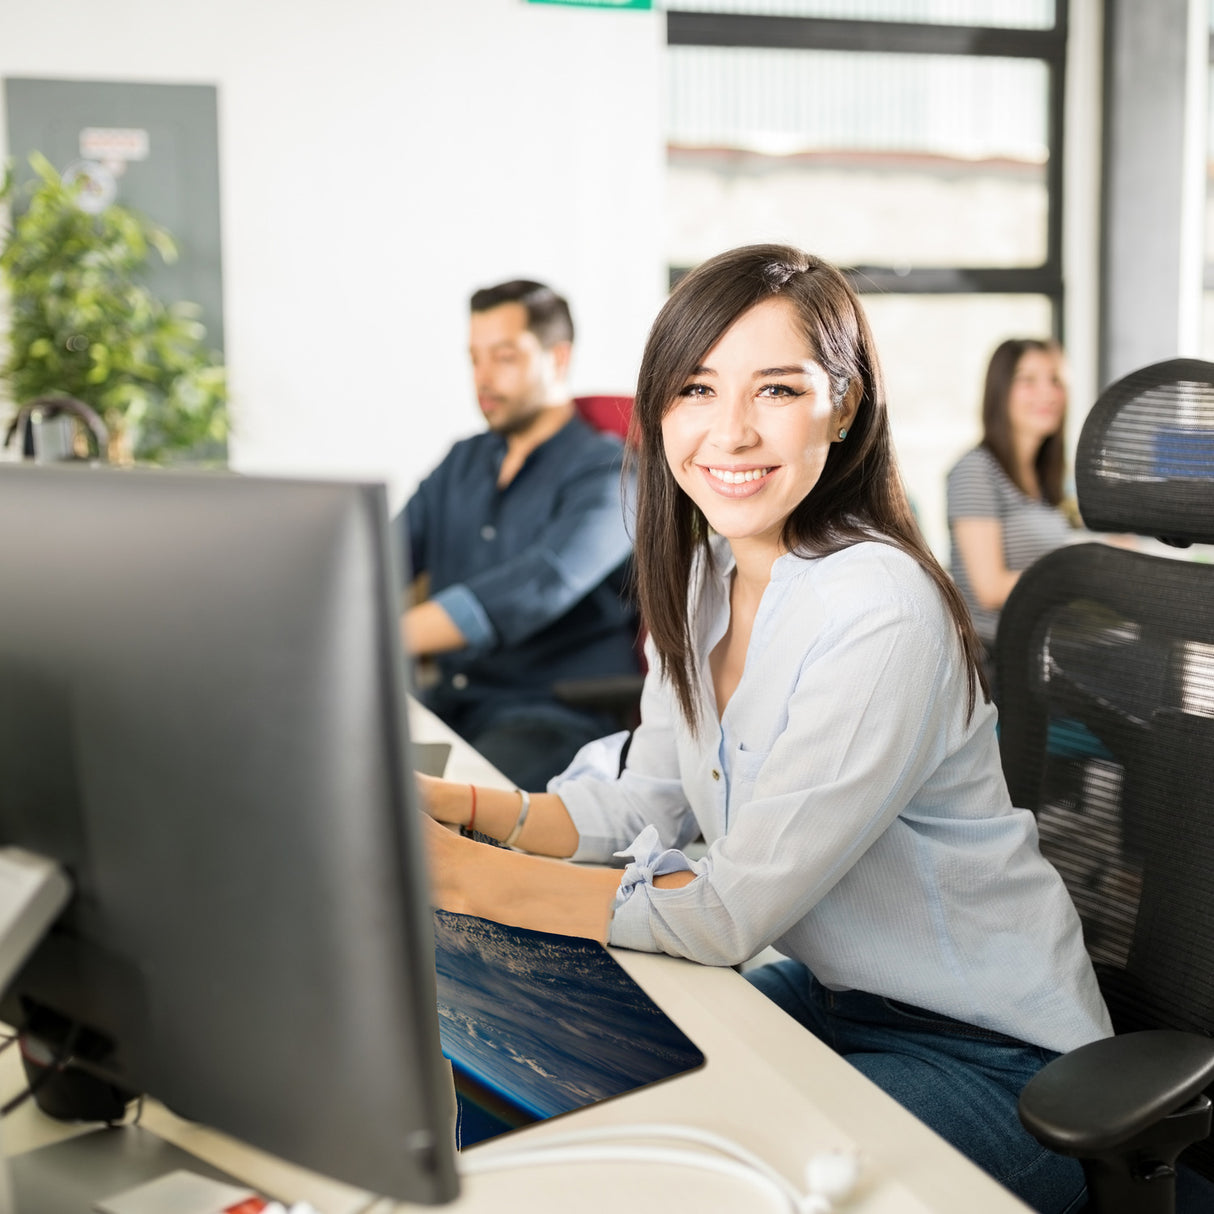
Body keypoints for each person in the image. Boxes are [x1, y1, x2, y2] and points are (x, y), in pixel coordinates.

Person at [418, 245, 1111, 1214]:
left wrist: (450, 873)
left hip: (993, 1056)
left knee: (706, 1192)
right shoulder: (704, 571)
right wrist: (444, 807)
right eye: (695, 388)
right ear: (657, 408)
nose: (729, 430)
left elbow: (724, 910)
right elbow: (642, 795)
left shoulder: (879, 606)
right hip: (830, 997)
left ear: (843, 404)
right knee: (575, 1102)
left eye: (776, 388)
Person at [398, 279, 639, 790]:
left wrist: (381, 636)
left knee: (435, 818)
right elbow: (375, 561)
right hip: (454, 702)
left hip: (553, 714)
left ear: (557, 358)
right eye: (474, 359)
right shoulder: (461, 461)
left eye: (503, 357)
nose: (482, 378)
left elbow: (540, 585)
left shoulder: (612, 473)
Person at [946, 338, 1082, 679]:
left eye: (1055, 380)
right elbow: (989, 589)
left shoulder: (1044, 479)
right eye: (1028, 380)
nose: (1047, 393)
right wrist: (1085, 569)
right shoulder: (975, 470)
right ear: (1000, 390)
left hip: (1042, 649)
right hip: (998, 659)